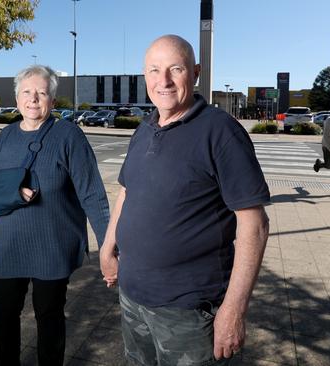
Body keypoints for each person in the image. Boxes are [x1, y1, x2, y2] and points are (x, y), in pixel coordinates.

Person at [100, 35, 270, 366]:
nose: (162, 81)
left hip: (188, 313)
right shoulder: (144, 128)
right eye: (153, 70)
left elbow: (255, 224)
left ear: (195, 73)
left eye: (174, 69)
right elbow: (127, 191)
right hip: (133, 299)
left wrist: (234, 310)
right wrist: (108, 246)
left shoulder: (220, 131)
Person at [0, 65, 110, 366]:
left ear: (53, 101)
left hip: (51, 245)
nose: (34, 99)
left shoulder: (69, 136)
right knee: (1, 316)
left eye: (42, 93)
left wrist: (109, 246)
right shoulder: (5, 136)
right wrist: (14, 193)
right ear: (16, 99)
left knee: (49, 318)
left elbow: (92, 194)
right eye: (27, 92)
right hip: (8, 247)